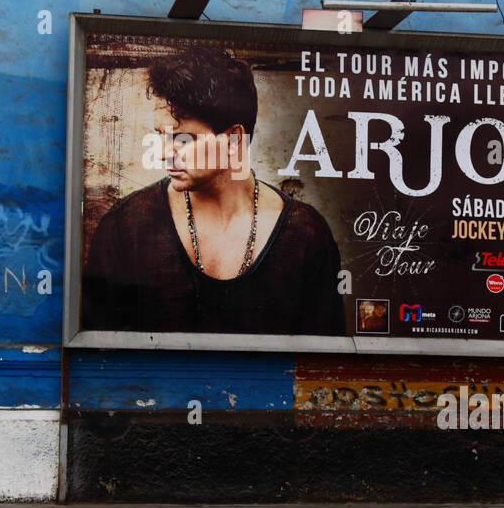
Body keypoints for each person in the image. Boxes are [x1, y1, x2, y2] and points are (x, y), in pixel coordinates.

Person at [82, 44, 346, 336]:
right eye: (161, 135)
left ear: (234, 138)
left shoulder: (306, 236)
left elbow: (321, 365)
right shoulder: (125, 228)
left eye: (183, 139)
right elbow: (100, 363)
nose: (164, 154)